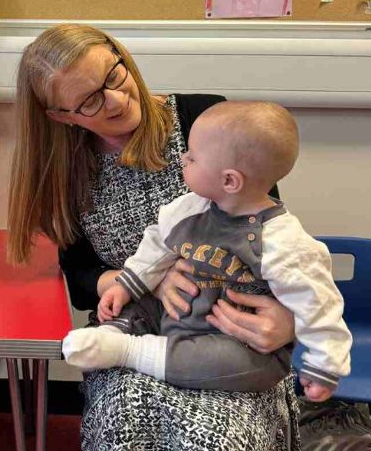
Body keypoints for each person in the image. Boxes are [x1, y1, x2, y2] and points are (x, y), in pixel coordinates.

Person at [7, 24, 302, 451]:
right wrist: (139, 277)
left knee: (220, 436)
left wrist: (288, 317)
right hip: (135, 327)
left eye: (113, 75)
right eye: (88, 101)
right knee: (123, 417)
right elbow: (81, 274)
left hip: (229, 325)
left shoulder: (204, 120)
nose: (115, 100)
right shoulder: (65, 172)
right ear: (61, 117)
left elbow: (277, 231)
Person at [62, 101, 352, 399]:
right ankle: (113, 333)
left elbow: (319, 306)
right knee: (141, 301)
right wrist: (126, 284)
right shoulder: (190, 208)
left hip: (230, 336)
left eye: (192, 158)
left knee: (245, 365)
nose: (183, 159)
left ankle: (129, 351)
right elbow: (157, 243)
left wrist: (324, 366)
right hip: (177, 310)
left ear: (229, 180)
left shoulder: (283, 242)